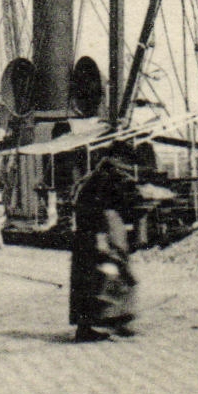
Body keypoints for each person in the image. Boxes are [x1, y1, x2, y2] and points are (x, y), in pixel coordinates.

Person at [69, 141, 143, 342]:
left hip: (90, 233)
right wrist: (102, 237)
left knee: (94, 281)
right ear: (116, 158)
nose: (126, 166)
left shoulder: (97, 177)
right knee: (103, 280)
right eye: (125, 161)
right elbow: (101, 207)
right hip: (96, 234)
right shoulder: (105, 178)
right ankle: (107, 323)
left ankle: (100, 323)